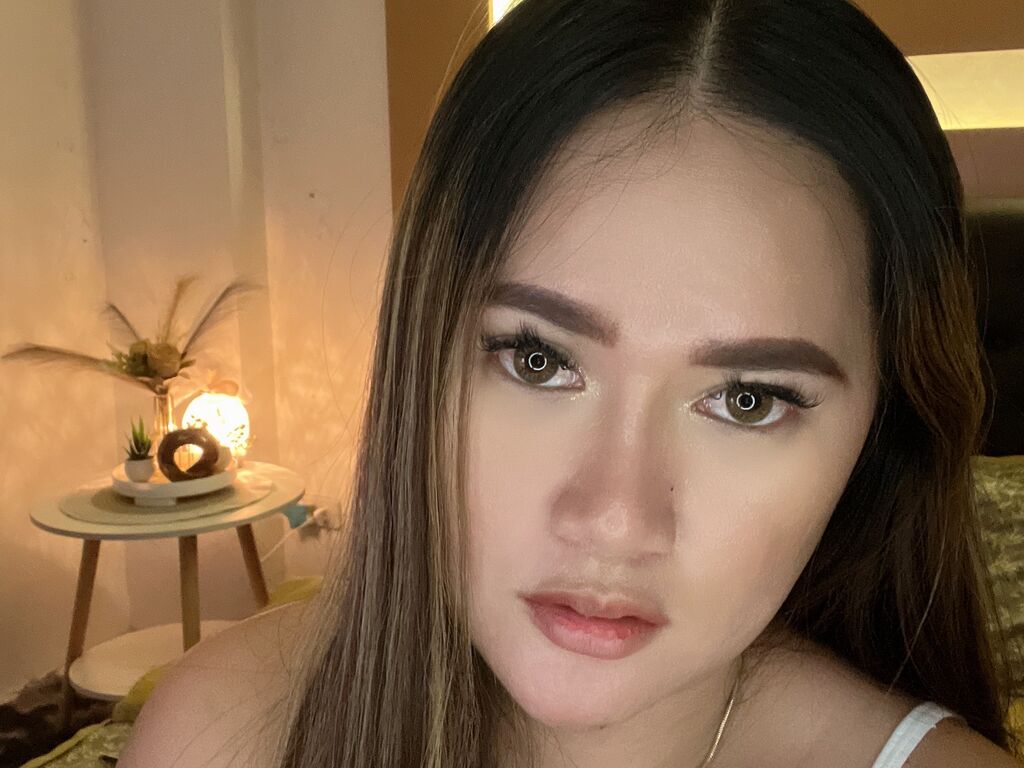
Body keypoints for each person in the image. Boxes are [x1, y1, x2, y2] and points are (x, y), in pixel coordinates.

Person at [119, 0, 1024, 766]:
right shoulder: (219, 735)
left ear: (877, 434)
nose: (614, 521)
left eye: (746, 400)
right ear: (420, 354)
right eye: (538, 359)